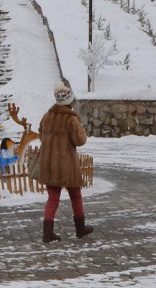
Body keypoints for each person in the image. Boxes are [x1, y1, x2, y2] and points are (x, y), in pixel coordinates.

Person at [38, 79, 93, 242]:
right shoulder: (71, 119)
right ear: (70, 101)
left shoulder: (46, 117)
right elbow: (80, 140)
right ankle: (80, 228)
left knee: (52, 198)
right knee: (75, 195)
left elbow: (41, 136)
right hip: (67, 166)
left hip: (49, 165)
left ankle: (47, 233)